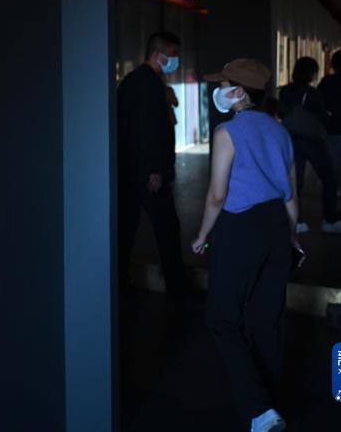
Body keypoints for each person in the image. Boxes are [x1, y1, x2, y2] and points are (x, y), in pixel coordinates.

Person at [192, 58, 305, 432]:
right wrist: (291, 239)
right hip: (276, 227)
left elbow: (217, 195)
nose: (219, 90)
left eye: (223, 84)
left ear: (239, 92)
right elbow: (291, 194)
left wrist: (202, 235)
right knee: (268, 320)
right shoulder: (279, 130)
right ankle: (271, 403)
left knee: (222, 319)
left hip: (239, 228)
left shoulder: (227, 132)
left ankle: (260, 410)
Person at [117, 30, 186, 300]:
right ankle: (176, 288)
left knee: (127, 227)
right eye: (173, 54)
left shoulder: (133, 81)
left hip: (130, 170)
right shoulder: (149, 84)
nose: (176, 60)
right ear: (157, 54)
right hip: (147, 172)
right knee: (167, 228)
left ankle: (120, 282)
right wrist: (154, 170)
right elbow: (147, 130)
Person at [279, 57, 341, 234]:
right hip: (311, 140)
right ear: (311, 73)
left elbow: (281, 113)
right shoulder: (312, 93)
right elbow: (323, 117)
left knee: (296, 182)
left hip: (291, 137)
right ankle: (330, 219)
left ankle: (296, 221)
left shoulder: (285, 91)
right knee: (330, 178)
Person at [317, 49, 341, 221]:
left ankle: (337, 210)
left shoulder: (328, 81)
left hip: (333, 130)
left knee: (336, 173)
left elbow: (320, 105)